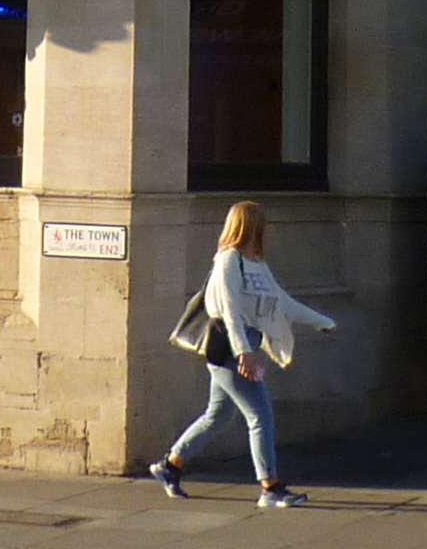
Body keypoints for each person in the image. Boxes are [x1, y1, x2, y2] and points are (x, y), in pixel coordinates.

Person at [144, 200, 338, 509]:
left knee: (217, 415)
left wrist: (321, 322)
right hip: (229, 345)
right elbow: (230, 312)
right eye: (260, 224)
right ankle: (270, 488)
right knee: (260, 416)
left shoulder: (257, 263)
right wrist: (244, 353)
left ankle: (170, 466)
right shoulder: (228, 260)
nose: (264, 231)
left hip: (241, 343)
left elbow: (281, 303)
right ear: (249, 227)